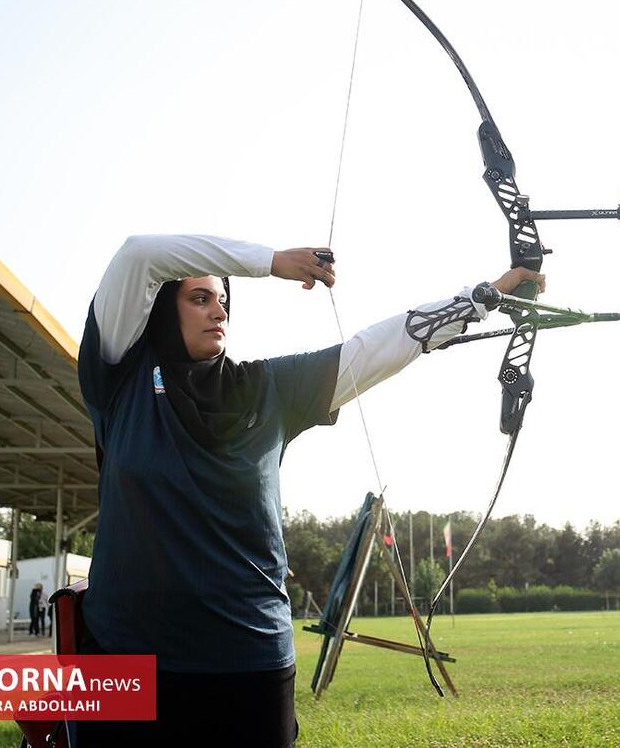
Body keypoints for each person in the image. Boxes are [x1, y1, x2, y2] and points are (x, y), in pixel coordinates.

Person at [72, 235, 542, 747]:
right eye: (199, 298)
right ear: (163, 308)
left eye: (223, 301)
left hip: (248, 658)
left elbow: (374, 349)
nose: (218, 311)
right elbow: (139, 254)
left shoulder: (268, 389)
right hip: (123, 655)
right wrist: (272, 263)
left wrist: (479, 299)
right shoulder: (119, 376)